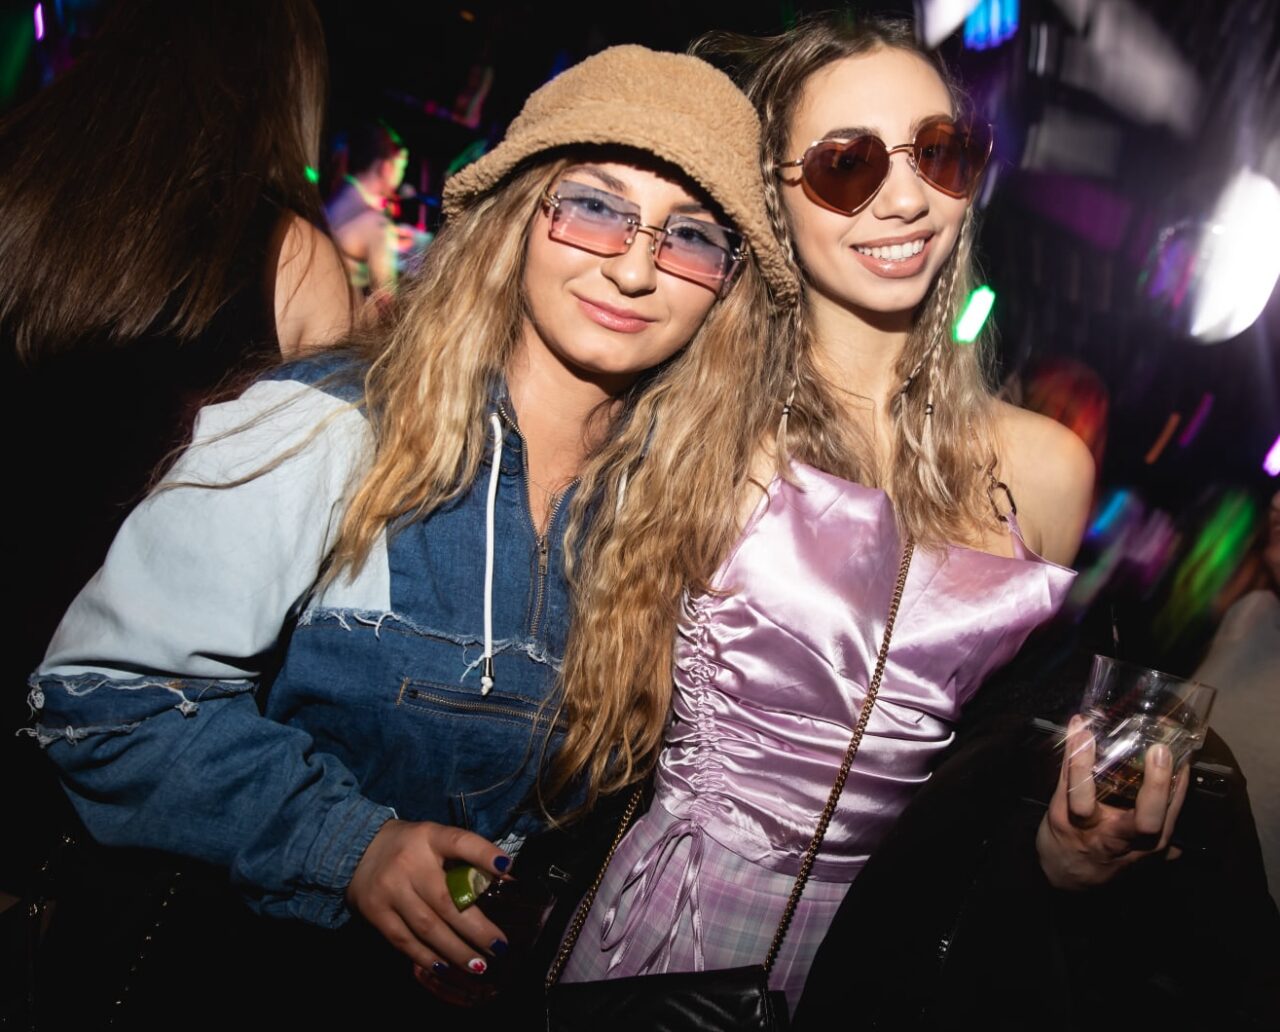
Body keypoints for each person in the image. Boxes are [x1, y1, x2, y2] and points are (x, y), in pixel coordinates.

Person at [23, 43, 796, 1021]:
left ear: (724, 288)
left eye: (688, 236)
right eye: (594, 205)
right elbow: (101, 699)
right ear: (520, 216)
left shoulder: (672, 517)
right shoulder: (333, 425)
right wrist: (349, 845)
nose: (634, 266)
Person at [554, 13, 1095, 1011]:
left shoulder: (1048, 474)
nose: (905, 197)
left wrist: (1062, 851)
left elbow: (984, 788)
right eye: (846, 164)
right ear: (774, 196)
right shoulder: (692, 418)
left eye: (937, 153)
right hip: (666, 949)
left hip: (884, 975)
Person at [1, 0, 351, 893]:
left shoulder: (16, 167)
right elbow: (297, 530)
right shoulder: (293, 258)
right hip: (91, 721)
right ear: (291, 88)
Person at [326, 121, 412, 301]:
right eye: (401, 167)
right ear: (386, 168)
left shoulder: (338, 192)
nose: (401, 176)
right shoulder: (376, 225)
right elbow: (386, 303)